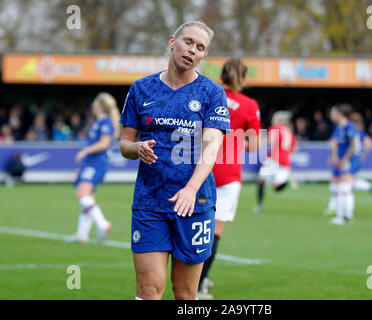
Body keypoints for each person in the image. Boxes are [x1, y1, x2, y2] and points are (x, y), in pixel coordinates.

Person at [119, 20, 230, 300]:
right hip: (150, 201)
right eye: (188, 42)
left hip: (195, 202)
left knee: (184, 293)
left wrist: (191, 189)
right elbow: (124, 144)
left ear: (204, 56)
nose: (192, 50)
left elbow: (211, 146)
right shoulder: (141, 89)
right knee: (149, 289)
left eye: (201, 47)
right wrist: (137, 148)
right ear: (172, 42)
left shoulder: (212, 93)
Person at [197, 58, 261, 299]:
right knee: (214, 233)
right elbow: (254, 146)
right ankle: (199, 285)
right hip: (228, 174)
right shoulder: (249, 105)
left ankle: (193, 278)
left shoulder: (209, 93)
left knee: (195, 227)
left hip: (202, 169)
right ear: (243, 78)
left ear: (221, 75)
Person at [66, 92, 121, 243]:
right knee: (88, 197)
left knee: (81, 196)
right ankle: (81, 235)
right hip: (90, 163)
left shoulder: (105, 123)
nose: (92, 106)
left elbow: (104, 143)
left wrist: (84, 152)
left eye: (95, 103)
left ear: (100, 105)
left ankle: (103, 224)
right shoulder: (99, 122)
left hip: (96, 163)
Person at [254, 110, 296, 213]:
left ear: (279, 120)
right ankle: (285, 181)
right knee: (276, 187)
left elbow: (269, 141)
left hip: (274, 159)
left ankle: (259, 205)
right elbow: (294, 149)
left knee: (260, 180)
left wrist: (259, 141)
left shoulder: (275, 129)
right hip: (285, 161)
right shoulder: (289, 131)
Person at [325, 104, 358, 225]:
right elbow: (334, 143)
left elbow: (353, 146)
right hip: (339, 160)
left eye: (333, 113)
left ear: (339, 114)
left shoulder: (349, 127)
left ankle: (347, 216)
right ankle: (340, 215)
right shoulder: (338, 127)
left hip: (347, 161)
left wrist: (345, 159)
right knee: (338, 188)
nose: (331, 115)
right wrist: (333, 157)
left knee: (345, 188)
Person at [350, 112, 372, 195]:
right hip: (356, 158)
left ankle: (368, 186)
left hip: (354, 158)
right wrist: (363, 154)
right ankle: (368, 186)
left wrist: (363, 155)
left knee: (347, 180)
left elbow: (369, 143)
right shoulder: (359, 132)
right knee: (348, 179)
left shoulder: (355, 132)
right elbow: (369, 144)